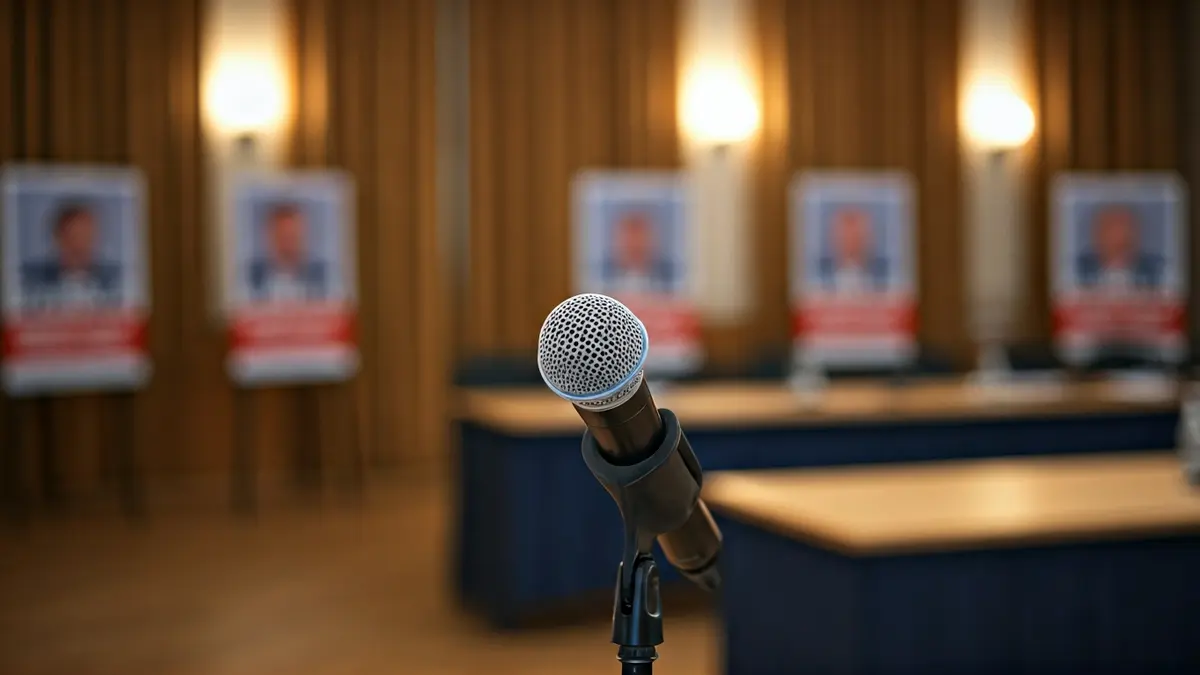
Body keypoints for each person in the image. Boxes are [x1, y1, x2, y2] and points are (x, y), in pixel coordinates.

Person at [20, 203, 121, 309]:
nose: (81, 245)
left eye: (87, 236)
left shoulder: (119, 281)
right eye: (74, 236)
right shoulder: (29, 282)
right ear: (57, 238)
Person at [248, 203, 327, 302]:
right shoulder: (249, 278)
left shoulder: (324, 277)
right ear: (269, 237)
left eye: (293, 236)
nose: (288, 243)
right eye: (282, 236)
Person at [1076, 205, 1162, 291]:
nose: (1119, 236)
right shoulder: (1078, 271)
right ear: (1096, 235)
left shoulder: (1156, 271)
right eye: (1110, 229)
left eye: (1126, 228)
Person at [817, 206, 889, 293]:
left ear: (871, 238)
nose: (851, 243)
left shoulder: (887, 276)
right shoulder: (817, 277)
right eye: (845, 237)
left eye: (857, 237)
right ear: (831, 238)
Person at [603, 210, 674, 295]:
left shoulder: (671, 277)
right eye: (628, 239)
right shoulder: (601, 279)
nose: (635, 244)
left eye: (640, 238)